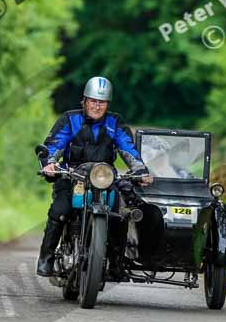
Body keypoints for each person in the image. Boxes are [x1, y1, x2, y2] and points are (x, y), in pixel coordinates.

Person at [36, 76, 152, 278]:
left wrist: (140, 169)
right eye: (93, 101)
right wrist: (50, 164)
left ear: (107, 104)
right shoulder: (71, 119)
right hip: (72, 176)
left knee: (118, 215)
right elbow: (55, 144)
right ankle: (46, 258)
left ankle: (116, 263)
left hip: (104, 179)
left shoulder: (115, 122)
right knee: (60, 210)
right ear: (85, 100)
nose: (97, 106)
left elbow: (128, 148)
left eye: (102, 102)